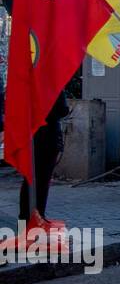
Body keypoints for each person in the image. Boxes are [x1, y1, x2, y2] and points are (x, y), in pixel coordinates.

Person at [18, 90, 70, 230]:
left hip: (33, 136)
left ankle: (27, 218)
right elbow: (62, 109)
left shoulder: (32, 83)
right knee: (41, 180)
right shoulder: (52, 84)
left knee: (31, 179)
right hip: (47, 138)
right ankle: (36, 217)